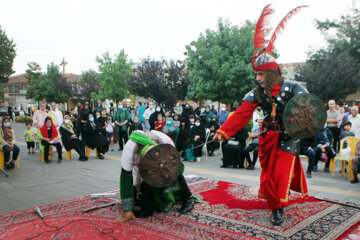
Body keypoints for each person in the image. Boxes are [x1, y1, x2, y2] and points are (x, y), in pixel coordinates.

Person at [213, 4, 309, 226]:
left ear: (272, 73)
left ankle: (277, 209)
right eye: (256, 74)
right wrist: (223, 131)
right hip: (267, 136)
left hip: (288, 137)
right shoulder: (256, 92)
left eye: (260, 74)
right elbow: (241, 114)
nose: (257, 78)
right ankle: (275, 205)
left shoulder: (295, 88)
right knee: (266, 175)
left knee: (279, 175)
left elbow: (309, 112)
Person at [116, 130, 194, 223]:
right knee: (143, 204)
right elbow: (126, 179)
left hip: (164, 161)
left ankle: (188, 199)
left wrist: (167, 169)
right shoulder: (129, 151)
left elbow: (178, 168)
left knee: (174, 172)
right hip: (141, 170)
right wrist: (127, 210)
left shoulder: (166, 142)